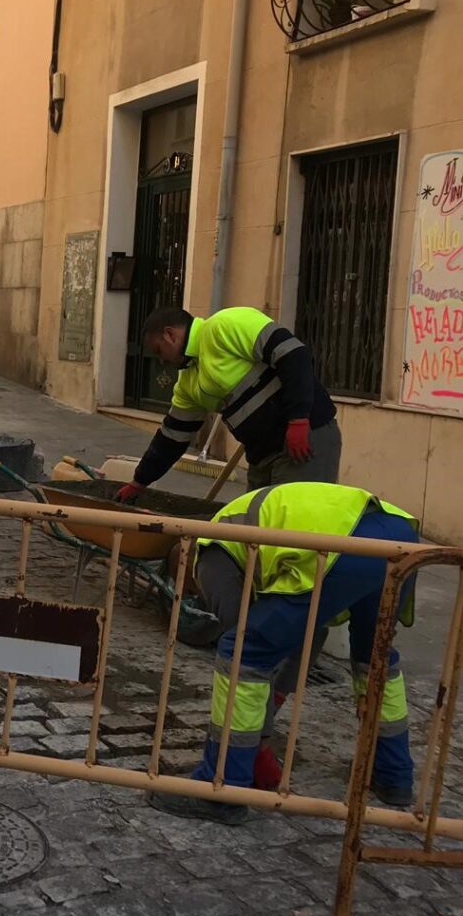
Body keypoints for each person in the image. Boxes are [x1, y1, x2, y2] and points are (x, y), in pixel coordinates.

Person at [151, 482, 418, 825]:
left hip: (344, 543)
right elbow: (309, 633)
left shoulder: (208, 552)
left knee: (242, 651)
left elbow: (247, 649)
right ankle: (394, 776)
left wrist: (259, 740)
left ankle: (222, 789)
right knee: (374, 659)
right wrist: (275, 698)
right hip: (398, 535)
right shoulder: (247, 528)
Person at [116, 306, 341, 504]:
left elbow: (293, 354)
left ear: (170, 335)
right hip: (262, 455)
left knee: (292, 526)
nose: (161, 361)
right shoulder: (187, 382)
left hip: (304, 438)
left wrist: (298, 419)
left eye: (159, 351)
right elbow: (172, 437)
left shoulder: (225, 325)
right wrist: (139, 481)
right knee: (256, 531)